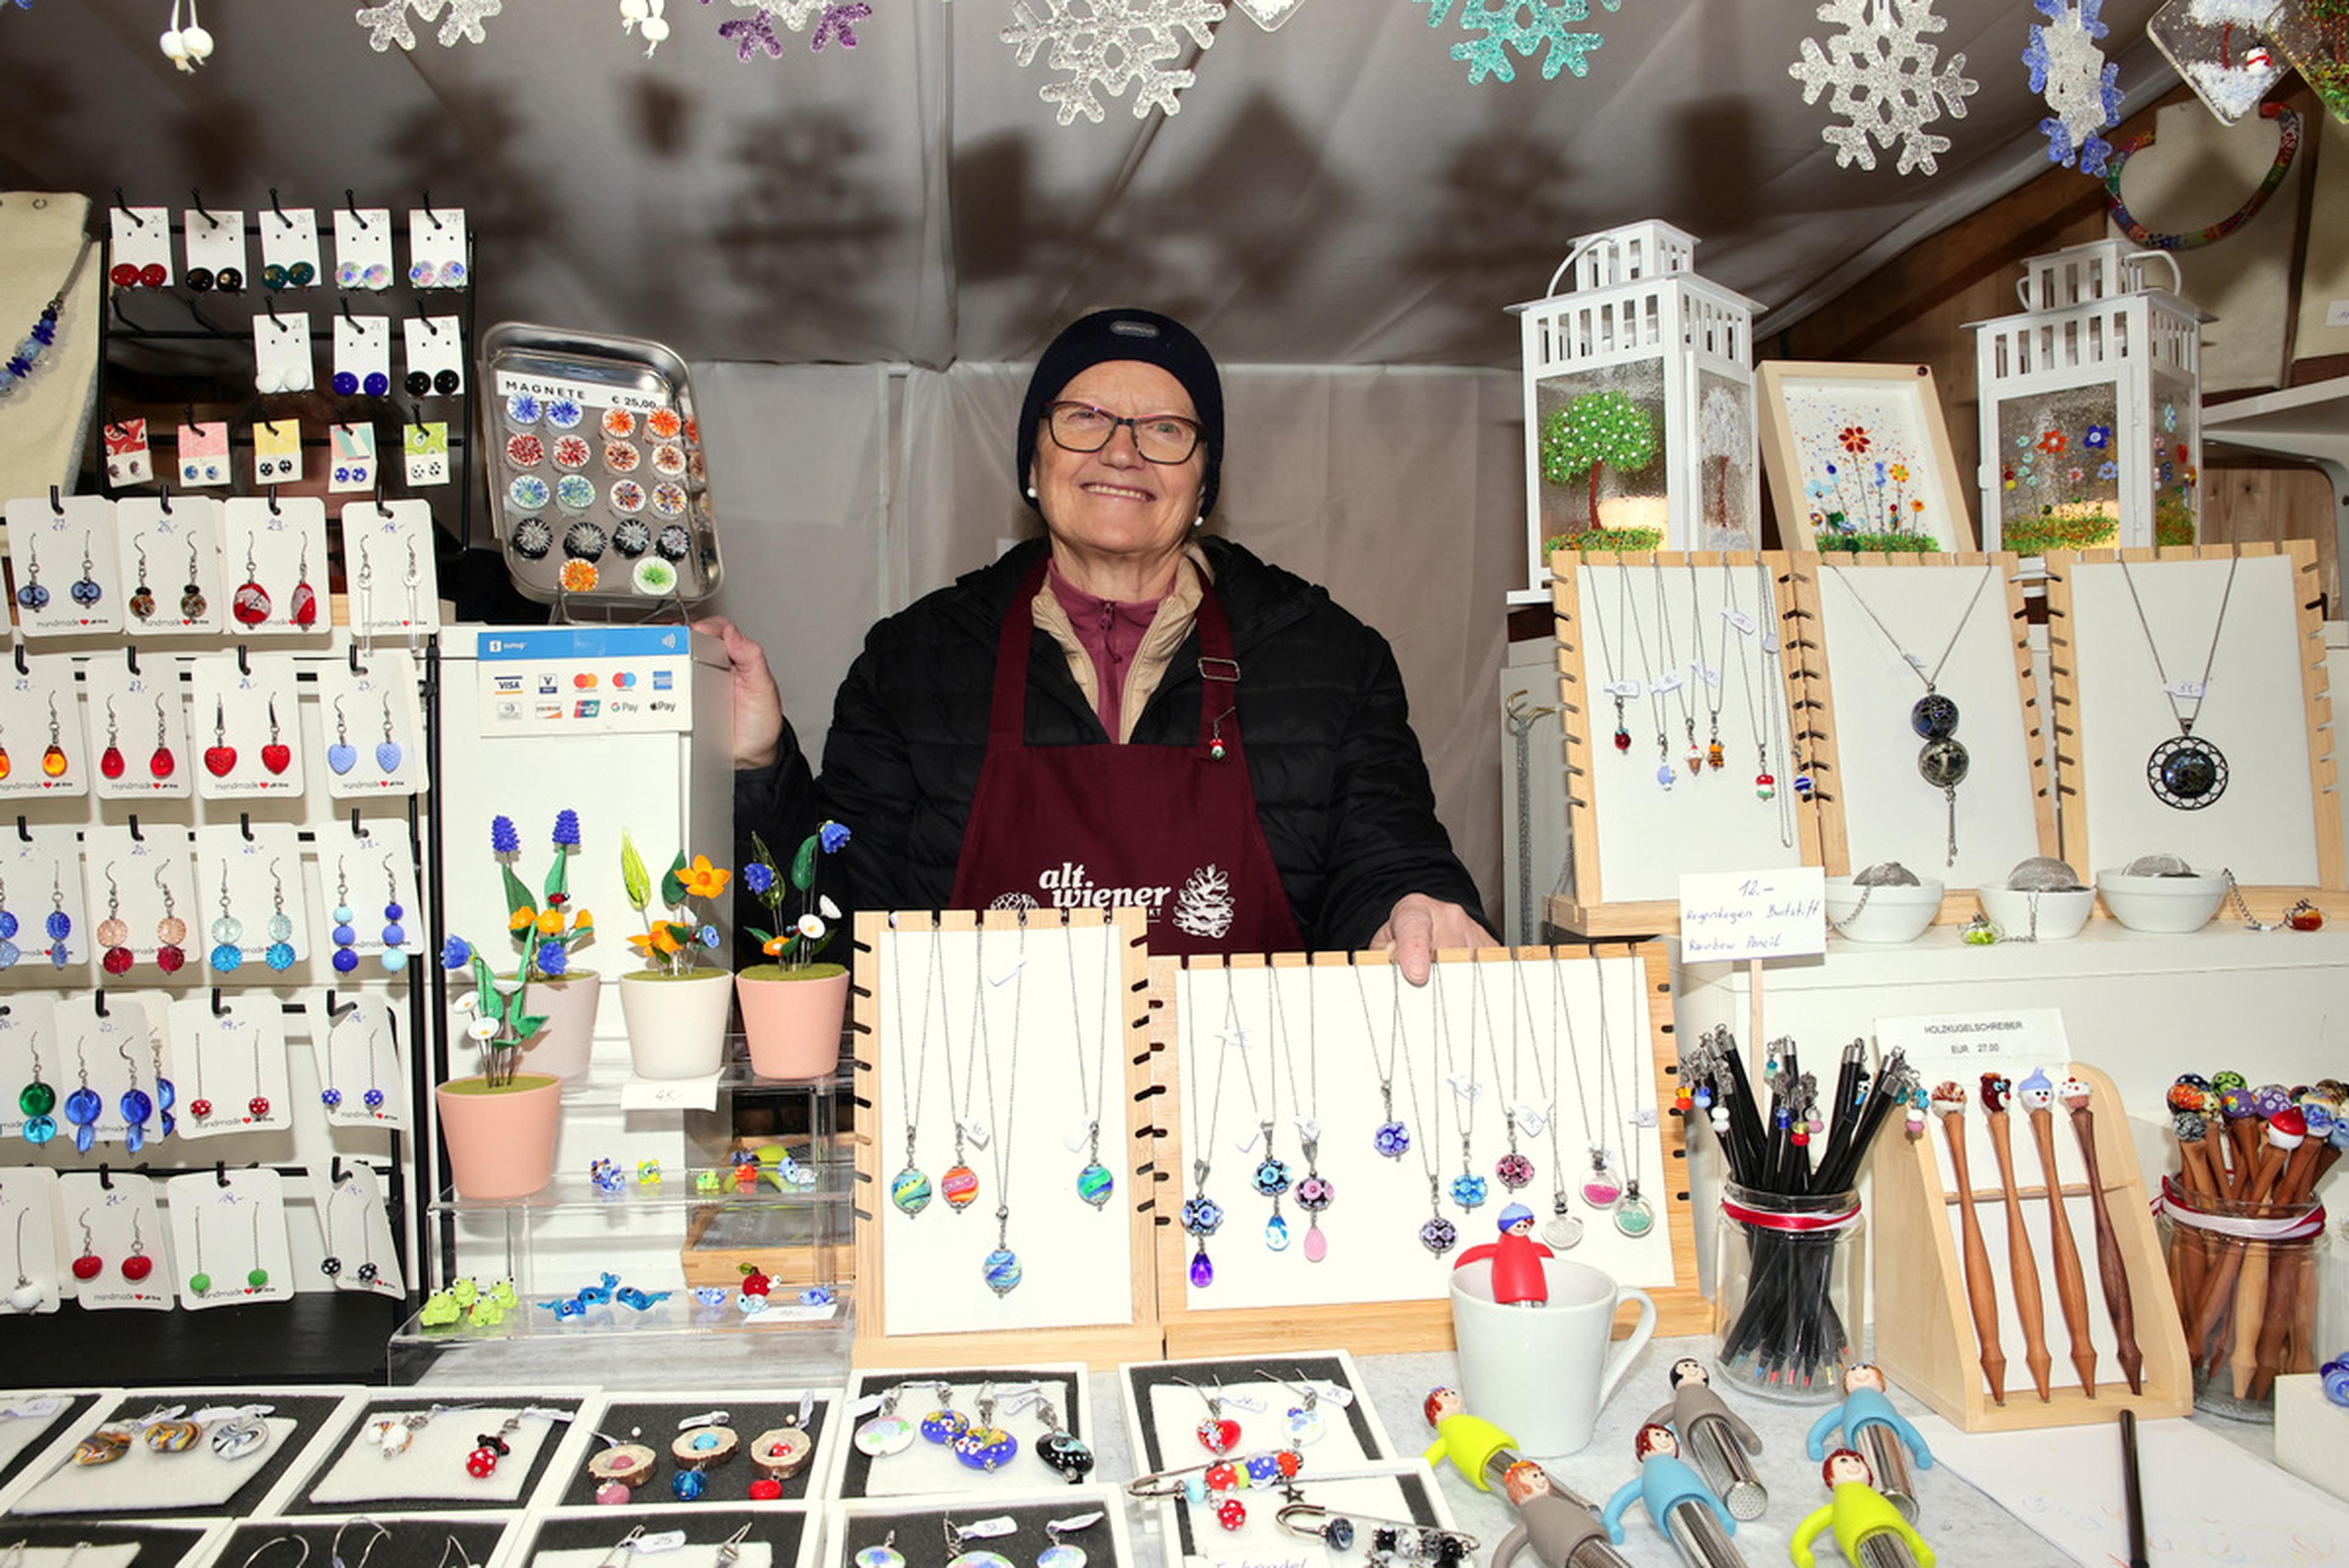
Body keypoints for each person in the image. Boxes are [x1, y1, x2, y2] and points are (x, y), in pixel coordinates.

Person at [707, 307, 1489, 974]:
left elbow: (1391, 855)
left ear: (1204, 482)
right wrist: (757, 769)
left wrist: (1414, 904)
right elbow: (824, 925)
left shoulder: (1329, 659)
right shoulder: (912, 663)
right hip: (980, 1127)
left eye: (1165, 428)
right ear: (1033, 464)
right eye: (1084, 418)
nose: (1122, 449)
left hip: (1254, 1115)